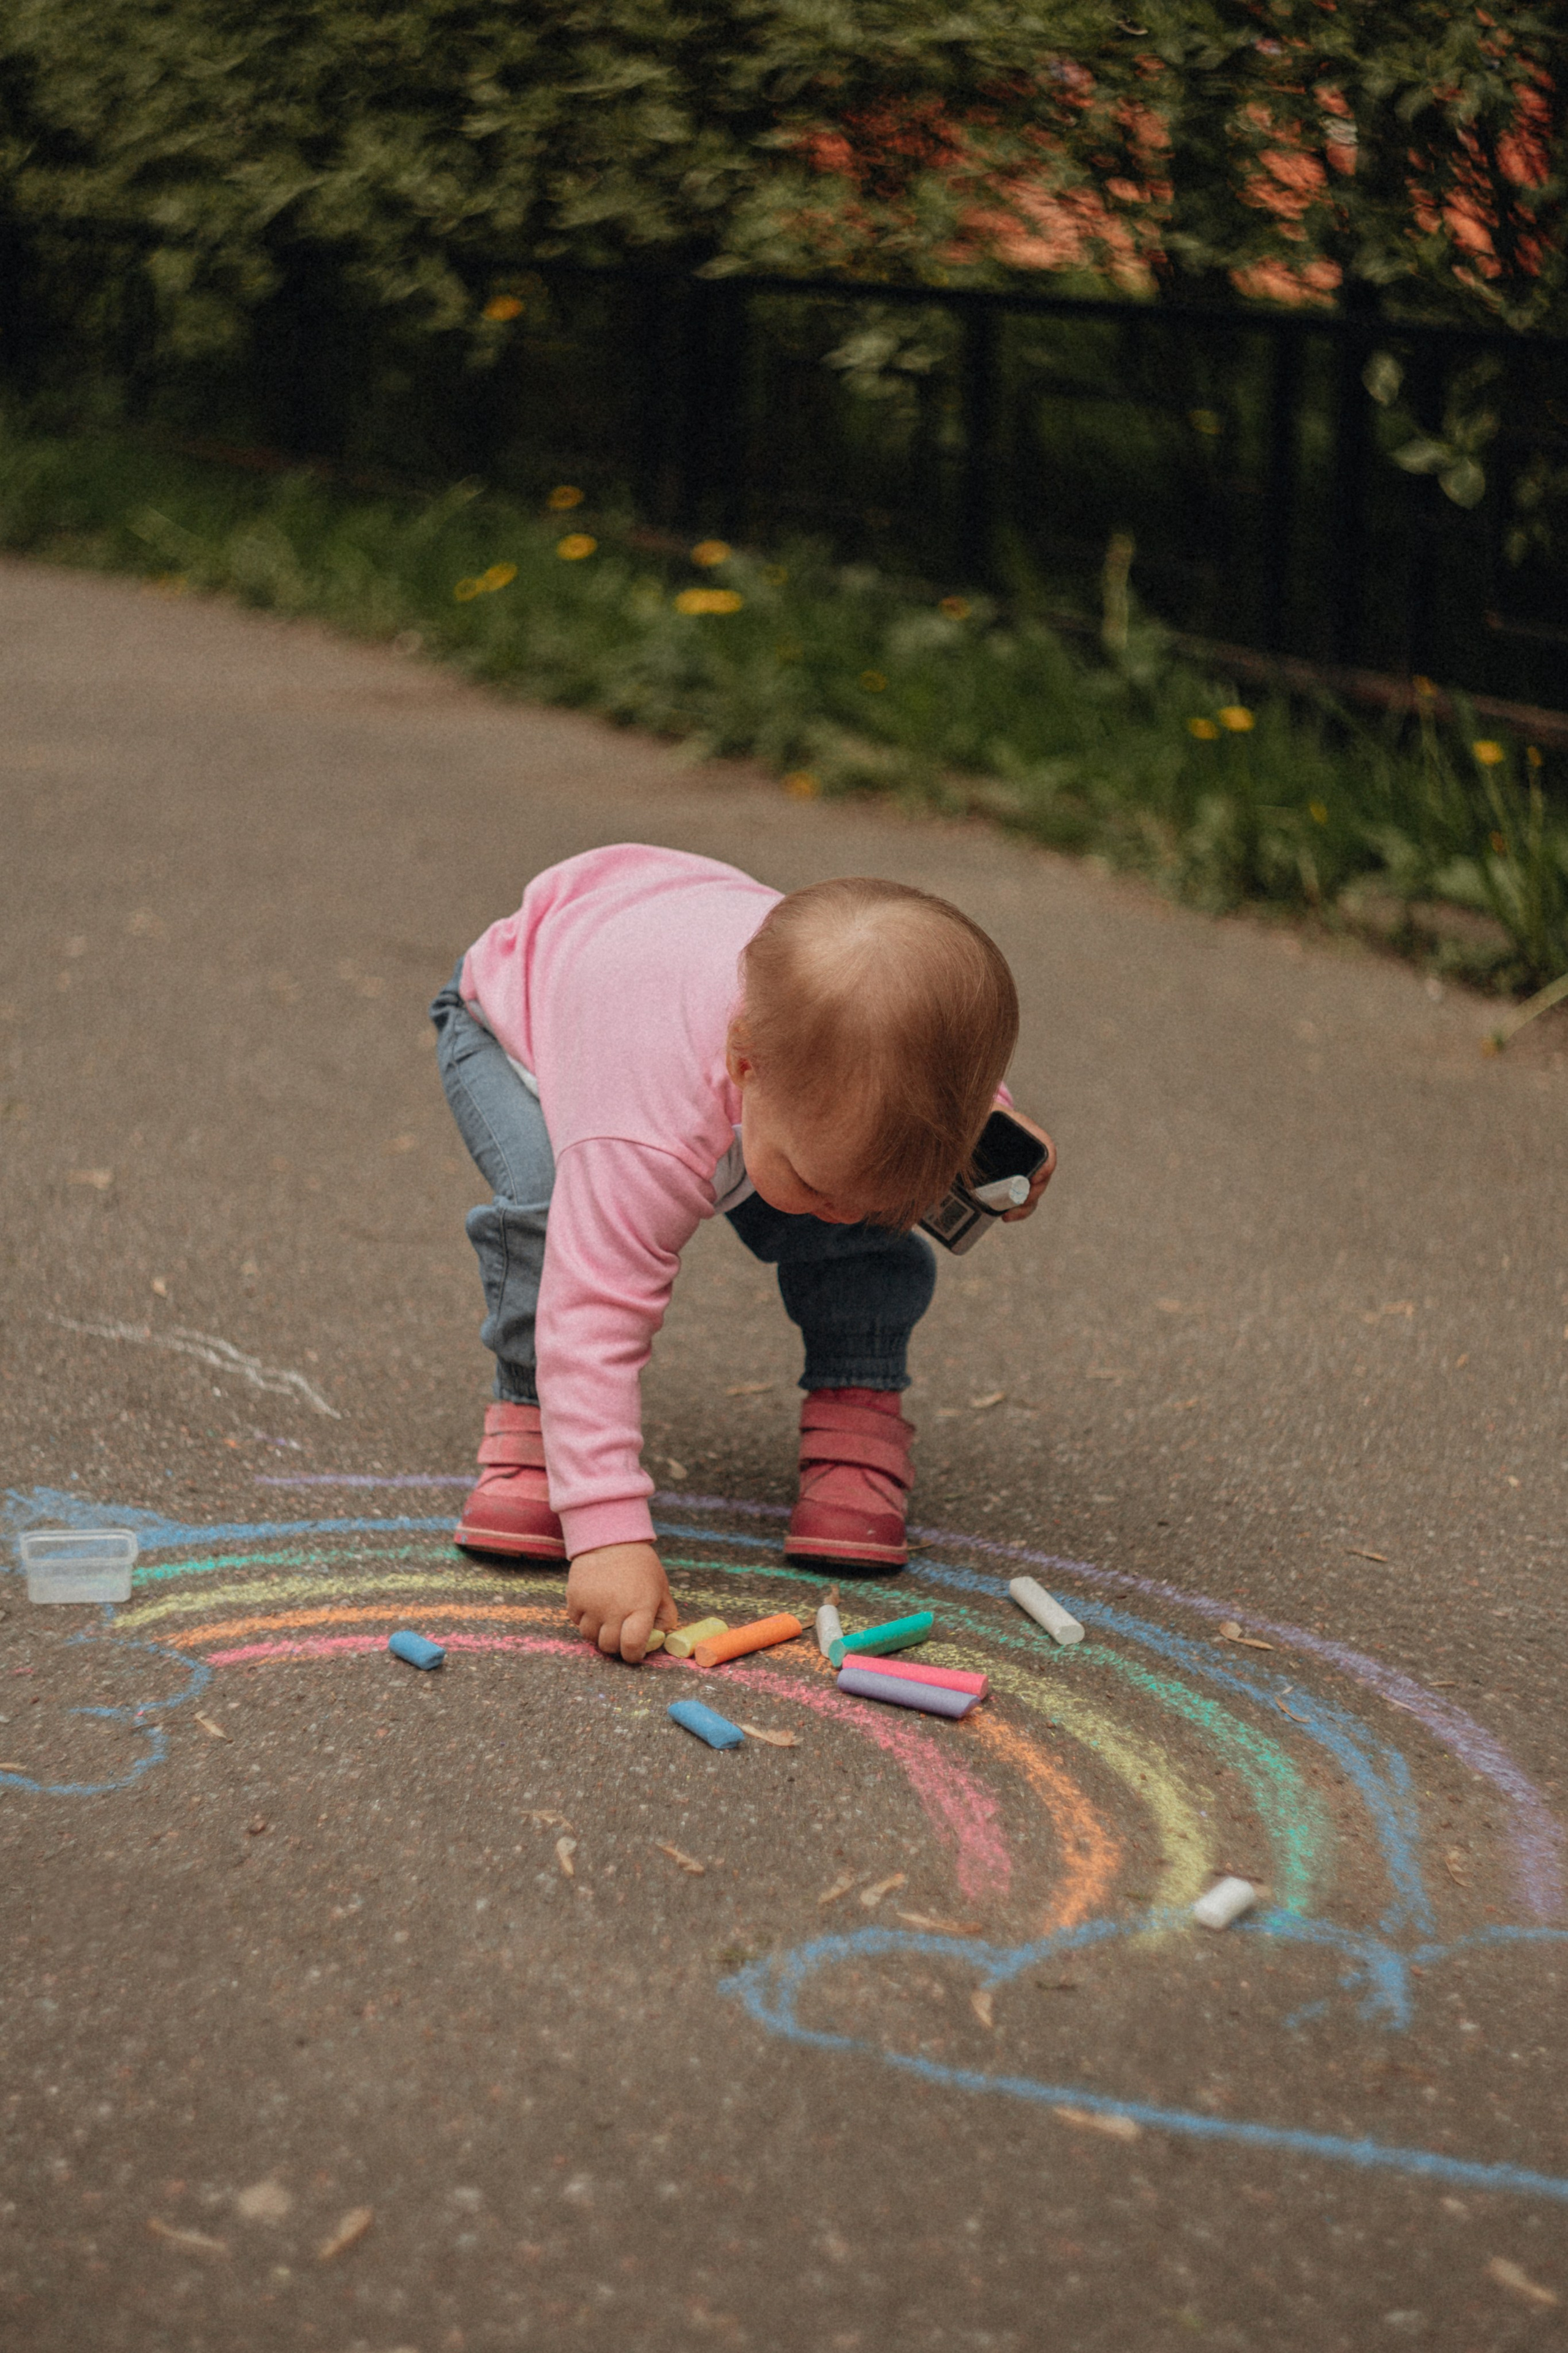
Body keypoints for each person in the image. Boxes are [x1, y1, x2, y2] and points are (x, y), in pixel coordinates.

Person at [429, 844, 1052, 1663]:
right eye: (812, 1177)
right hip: (519, 1019)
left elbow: (917, 1048)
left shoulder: (824, 1058)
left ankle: (856, 1417)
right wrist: (607, 1534)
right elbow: (593, 1315)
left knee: (869, 1215)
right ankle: (534, 1427)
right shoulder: (643, 1130)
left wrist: (987, 1126)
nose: (842, 1213)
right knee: (549, 1214)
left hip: (683, 959)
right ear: (743, 1062)